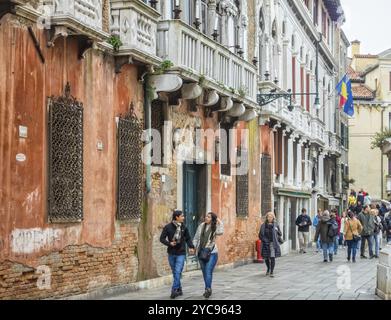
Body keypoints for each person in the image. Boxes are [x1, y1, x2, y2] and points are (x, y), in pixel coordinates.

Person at [160, 210, 195, 299]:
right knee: (175, 272)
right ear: (177, 217)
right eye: (182, 216)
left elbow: (188, 238)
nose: (184, 217)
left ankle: (174, 290)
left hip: (181, 252)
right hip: (171, 252)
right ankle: (179, 289)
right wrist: (169, 243)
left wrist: (191, 247)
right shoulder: (168, 227)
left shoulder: (184, 227)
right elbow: (162, 239)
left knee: (177, 271)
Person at [193, 212, 224, 299]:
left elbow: (221, 232)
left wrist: (219, 221)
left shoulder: (215, 227)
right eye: (206, 216)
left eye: (209, 217)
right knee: (204, 272)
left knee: (208, 271)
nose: (206, 218)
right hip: (201, 252)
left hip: (212, 253)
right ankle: (208, 288)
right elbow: (196, 238)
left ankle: (207, 289)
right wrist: (193, 247)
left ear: (213, 219)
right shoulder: (201, 226)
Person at [259, 212, 282, 277]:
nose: (270, 218)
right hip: (265, 243)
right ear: (266, 218)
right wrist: (264, 240)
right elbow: (260, 235)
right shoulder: (263, 225)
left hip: (273, 243)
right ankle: (268, 268)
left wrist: (277, 230)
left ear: (273, 218)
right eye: (268, 217)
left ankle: (271, 271)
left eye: (271, 217)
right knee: (266, 258)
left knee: (272, 257)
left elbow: (280, 234)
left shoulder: (276, 225)